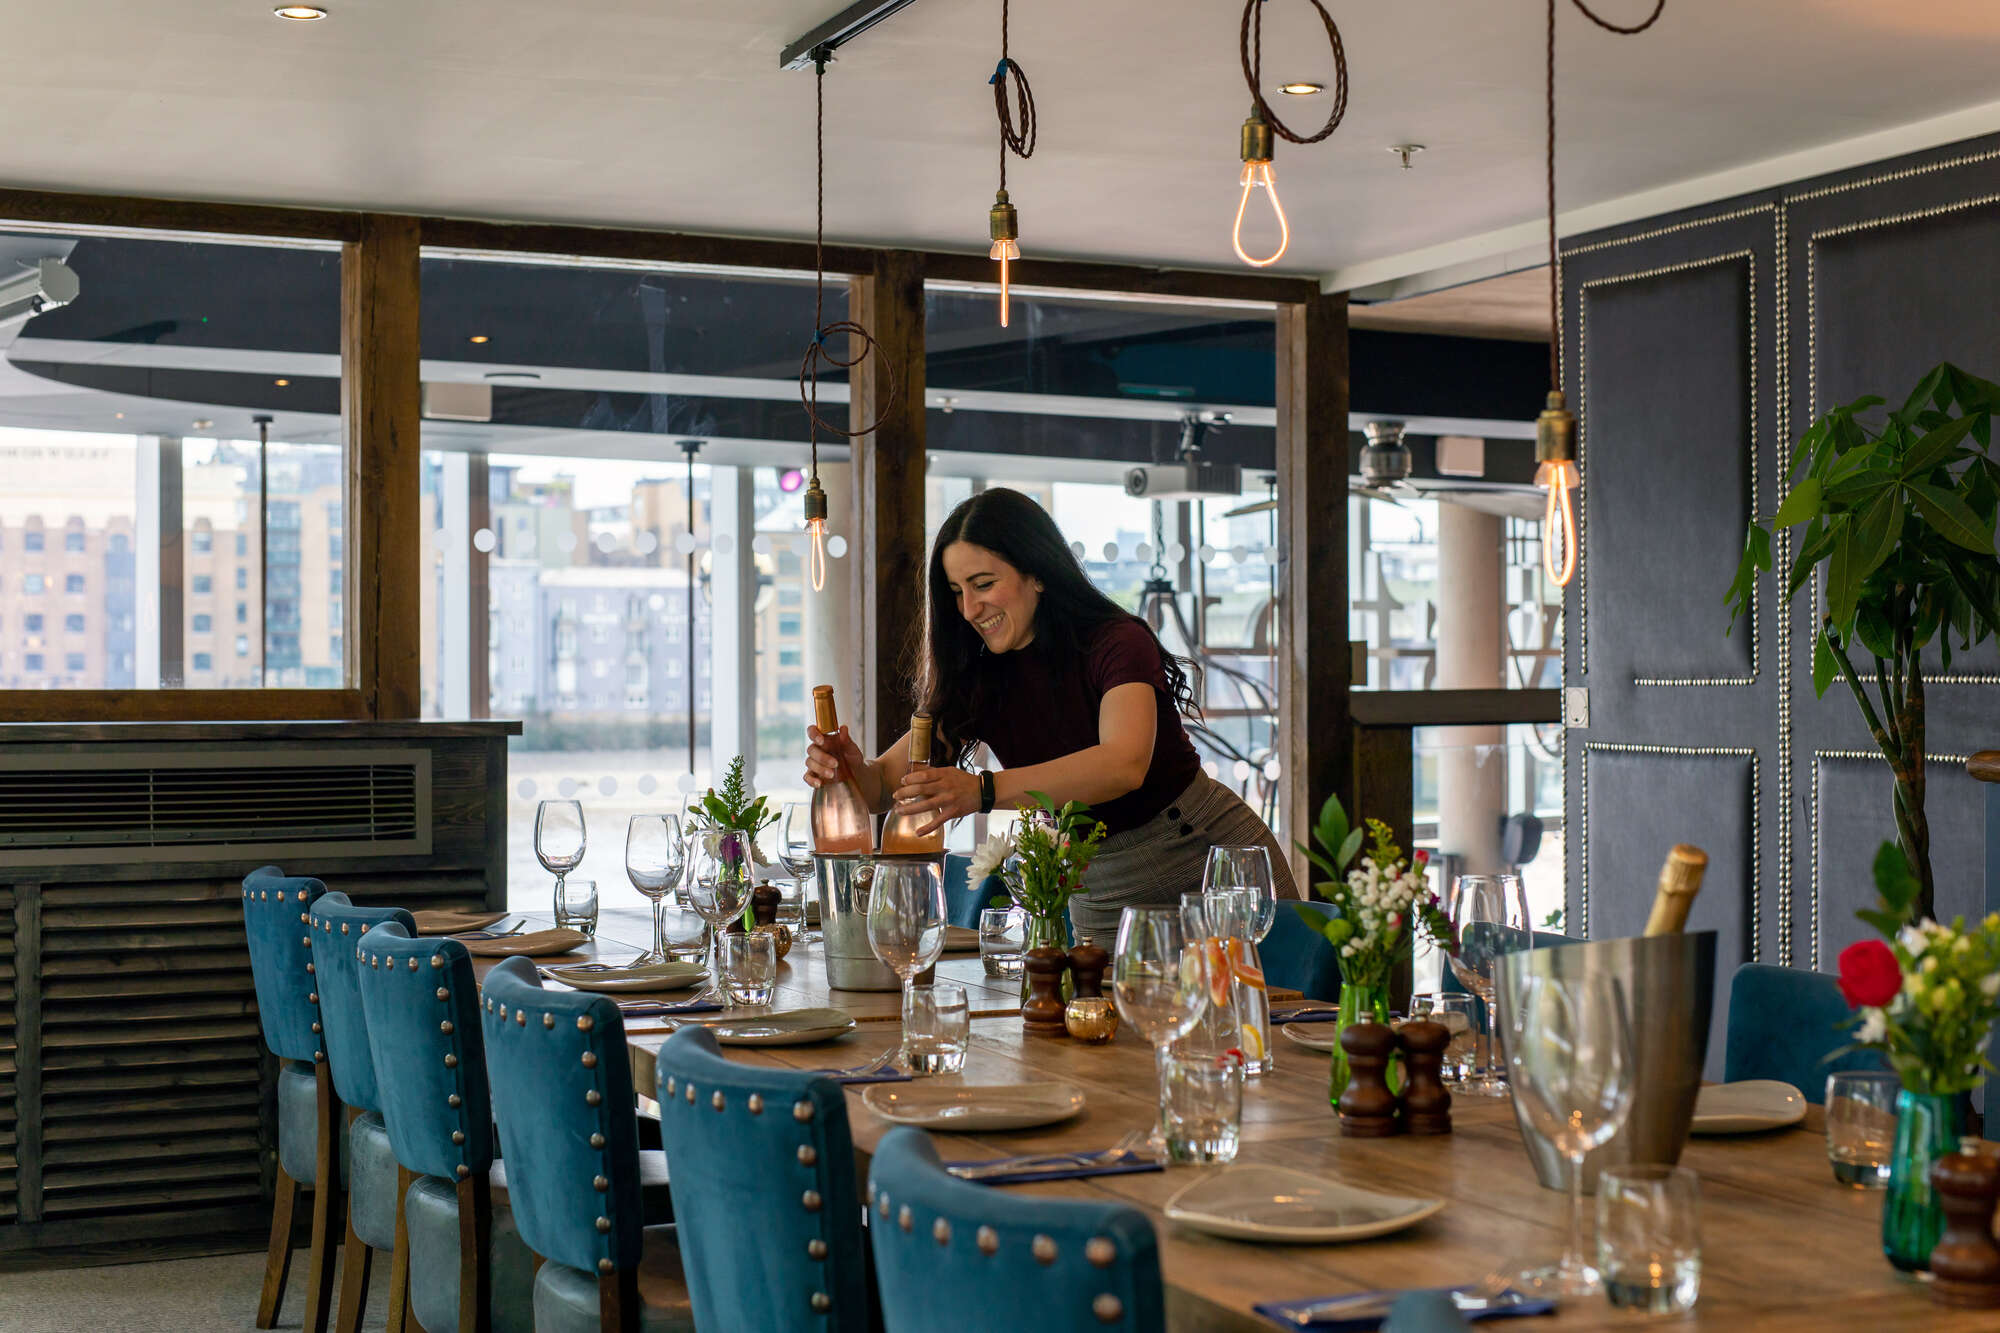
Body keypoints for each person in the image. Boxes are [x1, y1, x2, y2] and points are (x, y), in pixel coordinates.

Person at [802, 486, 1296, 941]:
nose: (970, 608)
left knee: (1264, 1025)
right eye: (956, 592)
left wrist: (984, 790)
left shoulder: (1117, 641)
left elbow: (1123, 764)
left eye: (983, 584)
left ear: (1036, 573)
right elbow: (884, 790)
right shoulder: (977, 673)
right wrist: (848, 772)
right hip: (1099, 888)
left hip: (1205, 859)